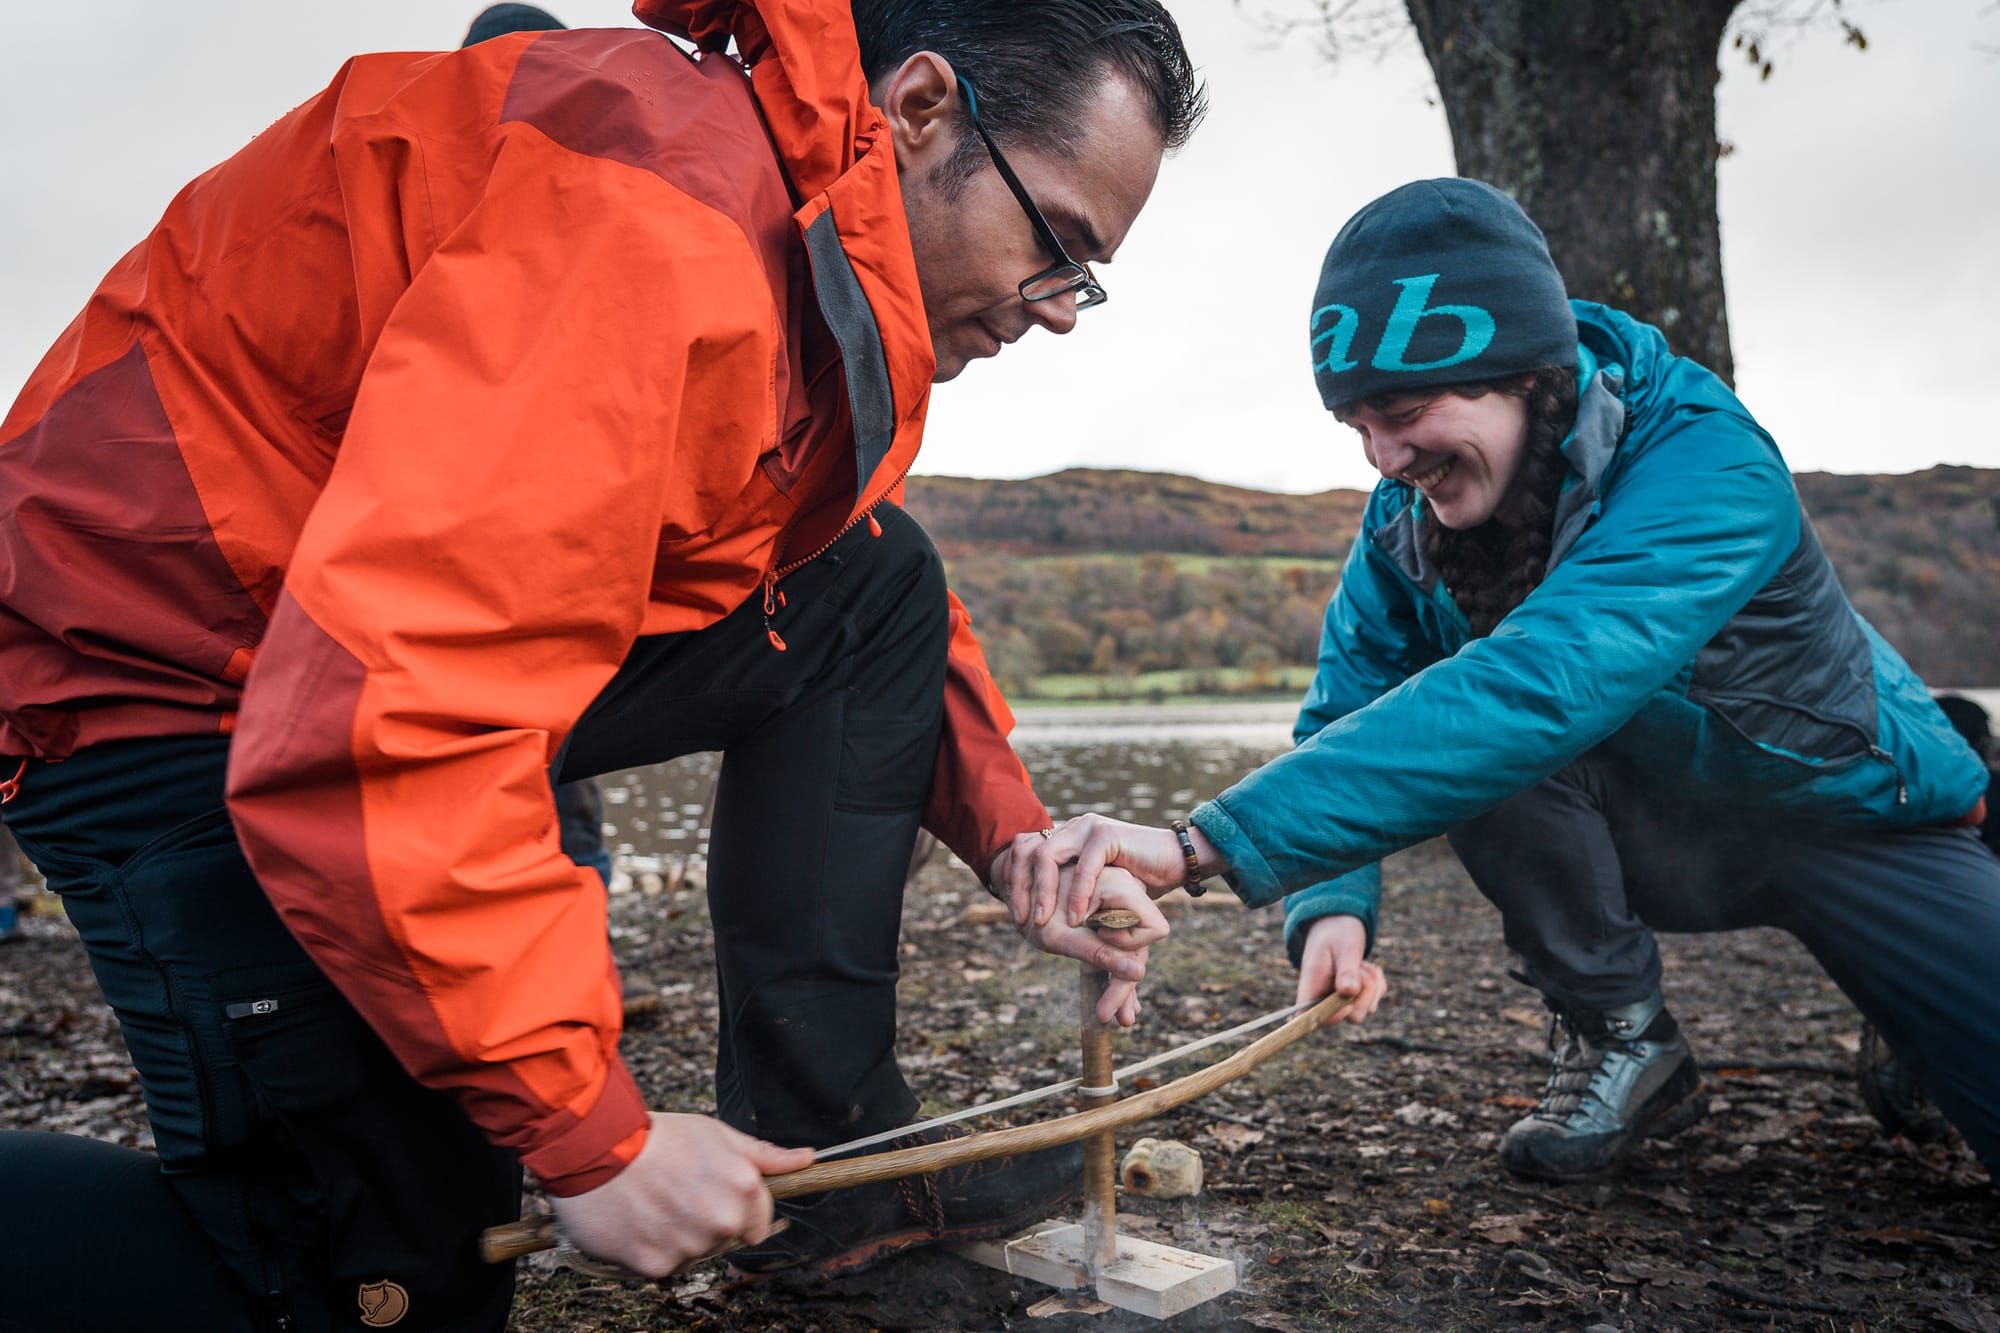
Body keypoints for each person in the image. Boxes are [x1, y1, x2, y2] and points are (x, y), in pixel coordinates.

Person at [0, 2, 1201, 1328]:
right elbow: (396, 690)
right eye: (1057, 249)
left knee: (882, 585)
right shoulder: (657, 227)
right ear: (920, 112)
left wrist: (1019, 836)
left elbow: (849, 587)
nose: (1060, 314)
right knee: (382, 1287)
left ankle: (833, 1161)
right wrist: (594, 1130)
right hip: (170, 671)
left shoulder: (805, 255)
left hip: (340, 641)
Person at [1013, 177, 2000, 1188]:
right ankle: (1622, 1038)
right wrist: (1334, 904)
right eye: (1356, 425)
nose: (1384, 458)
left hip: (1852, 816)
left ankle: (1913, 1009)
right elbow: (1353, 701)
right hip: (1660, 831)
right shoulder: (1401, 525)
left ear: (1523, 371)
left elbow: (1545, 680)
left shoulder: (1707, 461)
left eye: (1400, 412)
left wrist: (1198, 844)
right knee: (1472, 732)